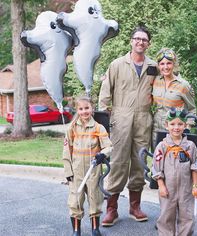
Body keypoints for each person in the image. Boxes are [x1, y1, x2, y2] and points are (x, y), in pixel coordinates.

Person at [98, 26, 158, 226]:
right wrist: (104, 122)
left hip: (143, 119)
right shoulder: (116, 64)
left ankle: (135, 207)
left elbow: (161, 91)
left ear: (148, 44)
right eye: (137, 39)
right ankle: (112, 209)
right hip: (120, 119)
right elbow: (105, 94)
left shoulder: (154, 66)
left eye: (144, 40)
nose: (140, 42)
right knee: (118, 162)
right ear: (131, 41)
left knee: (140, 162)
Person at [62, 96, 113, 236]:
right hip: (76, 171)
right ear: (77, 110)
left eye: (87, 108)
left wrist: (102, 154)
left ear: (92, 108)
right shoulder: (71, 128)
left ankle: (95, 229)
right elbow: (66, 152)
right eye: (81, 109)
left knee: (95, 199)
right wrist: (68, 171)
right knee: (75, 201)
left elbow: (108, 146)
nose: (84, 111)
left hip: (93, 170)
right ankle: (76, 230)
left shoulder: (98, 127)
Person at [152, 108, 197, 236]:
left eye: (180, 124)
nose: (176, 127)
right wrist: (161, 186)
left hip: (186, 190)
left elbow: (195, 167)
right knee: (166, 217)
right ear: (166, 125)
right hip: (168, 190)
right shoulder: (162, 147)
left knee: (187, 217)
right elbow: (157, 169)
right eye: (172, 124)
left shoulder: (190, 146)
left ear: (185, 125)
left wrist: (195, 186)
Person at [152, 48, 196, 150]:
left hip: (176, 131)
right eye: (162, 64)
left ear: (174, 64)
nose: (165, 67)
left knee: (174, 162)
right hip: (156, 130)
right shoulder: (155, 81)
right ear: (159, 66)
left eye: (169, 63)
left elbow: (192, 109)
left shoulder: (183, 85)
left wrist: (187, 128)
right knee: (158, 160)